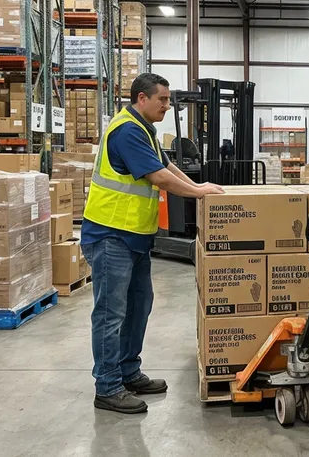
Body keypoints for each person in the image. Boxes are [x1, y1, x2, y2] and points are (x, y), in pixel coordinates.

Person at [81, 73, 224, 414]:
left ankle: (128, 371)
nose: (167, 105)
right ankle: (108, 386)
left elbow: (168, 165)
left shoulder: (146, 129)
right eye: (162, 99)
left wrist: (198, 184)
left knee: (139, 306)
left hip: (136, 237)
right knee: (110, 314)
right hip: (110, 235)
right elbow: (158, 177)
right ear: (141, 98)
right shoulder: (127, 130)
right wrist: (199, 193)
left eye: (168, 99)